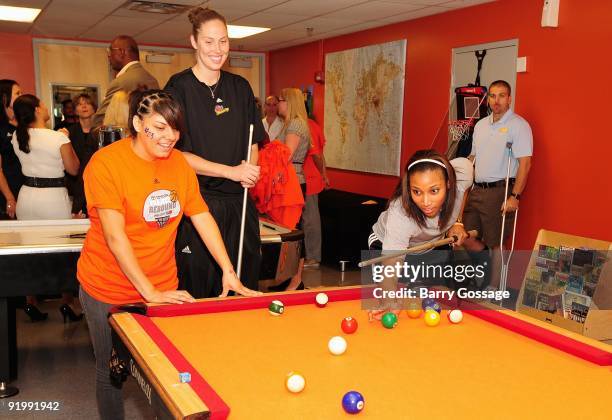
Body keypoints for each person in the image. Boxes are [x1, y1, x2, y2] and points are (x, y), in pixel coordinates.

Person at [77, 90, 260, 420]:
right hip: (107, 288)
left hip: (163, 285)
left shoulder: (179, 165)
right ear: (137, 123)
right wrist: (148, 293)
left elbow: (202, 217)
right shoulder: (106, 164)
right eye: (159, 127)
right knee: (111, 371)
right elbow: (116, 238)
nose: (169, 137)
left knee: (168, 376)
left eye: (174, 129)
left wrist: (228, 270)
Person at [164, 7, 265, 298]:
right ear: (194, 42)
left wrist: (249, 171)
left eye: (223, 41)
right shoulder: (178, 88)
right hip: (198, 205)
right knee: (199, 291)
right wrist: (230, 171)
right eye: (209, 41)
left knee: (244, 287)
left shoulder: (241, 87)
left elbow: (253, 143)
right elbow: (177, 154)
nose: (217, 49)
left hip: (240, 203)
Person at [368, 150, 473, 319]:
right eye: (416, 192)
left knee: (419, 293)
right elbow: (391, 261)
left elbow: (463, 190)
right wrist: (389, 298)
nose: (425, 202)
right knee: (391, 290)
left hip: (429, 245)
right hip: (385, 244)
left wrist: (457, 222)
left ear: (448, 183)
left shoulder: (463, 173)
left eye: (434, 191)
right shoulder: (401, 214)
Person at [11, 94, 82, 322]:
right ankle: (66, 303)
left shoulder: (17, 136)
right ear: (37, 110)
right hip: (52, 197)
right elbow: (73, 169)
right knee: (62, 252)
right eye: (42, 104)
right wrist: (66, 138)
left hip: (27, 196)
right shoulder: (57, 138)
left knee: (29, 251)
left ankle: (31, 300)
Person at [462, 80, 533, 289]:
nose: (496, 101)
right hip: (477, 189)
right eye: (492, 96)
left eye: (502, 96)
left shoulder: (519, 125)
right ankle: (478, 267)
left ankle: (492, 291)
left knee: (497, 244)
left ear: (509, 99)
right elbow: (472, 157)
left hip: (500, 191)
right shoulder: (481, 125)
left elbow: (526, 164)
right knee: (462, 236)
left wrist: (515, 196)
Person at [271, 87, 313, 290]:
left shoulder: (296, 124)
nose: (278, 104)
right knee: (285, 232)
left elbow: (285, 156)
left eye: (280, 100)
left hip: (293, 182)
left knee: (293, 232)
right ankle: (285, 278)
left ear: (289, 102)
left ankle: (295, 280)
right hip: (288, 181)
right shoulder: (288, 124)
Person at [93, 35, 159, 128]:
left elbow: (99, 120)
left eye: (110, 51)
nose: (108, 56)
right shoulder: (152, 79)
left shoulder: (121, 82)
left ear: (121, 52)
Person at [302, 117, 330, 268]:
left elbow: (317, 154)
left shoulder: (309, 126)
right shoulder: (308, 124)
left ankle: (312, 257)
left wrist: (323, 175)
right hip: (303, 179)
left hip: (310, 179)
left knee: (310, 219)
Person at [66, 93, 99, 216]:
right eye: (80, 104)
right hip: (75, 184)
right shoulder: (69, 132)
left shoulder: (100, 132)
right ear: (75, 110)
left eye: (87, 103)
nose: (84, 106)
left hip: (96, 182)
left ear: (94, 108)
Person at [0, 79, 23, 219]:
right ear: (4, 98)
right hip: (7, 195)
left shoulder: (25, 126)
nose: (22, 96)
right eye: (18, 93)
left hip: (27, 193)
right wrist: (10, 198)